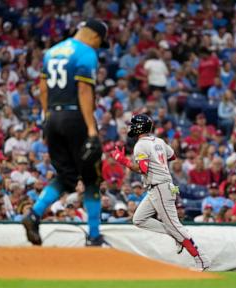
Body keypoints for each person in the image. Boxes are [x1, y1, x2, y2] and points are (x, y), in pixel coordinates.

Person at [22, 19, 109, 246]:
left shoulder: (52, 52)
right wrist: (92, 130)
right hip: (75, 118)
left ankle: (34, 214)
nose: (99, 46)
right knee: (91, 178)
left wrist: (46, 116)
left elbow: (42, 87)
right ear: (94, 36)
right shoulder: (87, 53)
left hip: (53, 118)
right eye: (100, 42)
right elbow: (83, 90)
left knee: (66, 176)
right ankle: (94, 235)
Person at [111, 114, 211, 271]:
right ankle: (175, 236)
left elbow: (143, 169)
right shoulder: (159, 141)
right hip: (162, 186)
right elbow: (173, 156)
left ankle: (201, 259)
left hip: (159, 186)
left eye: (134, 124)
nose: (132, 127)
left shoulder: (140, 145)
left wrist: (123, 161)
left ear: (139, 127)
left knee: (174, 225)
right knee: (139, 219)